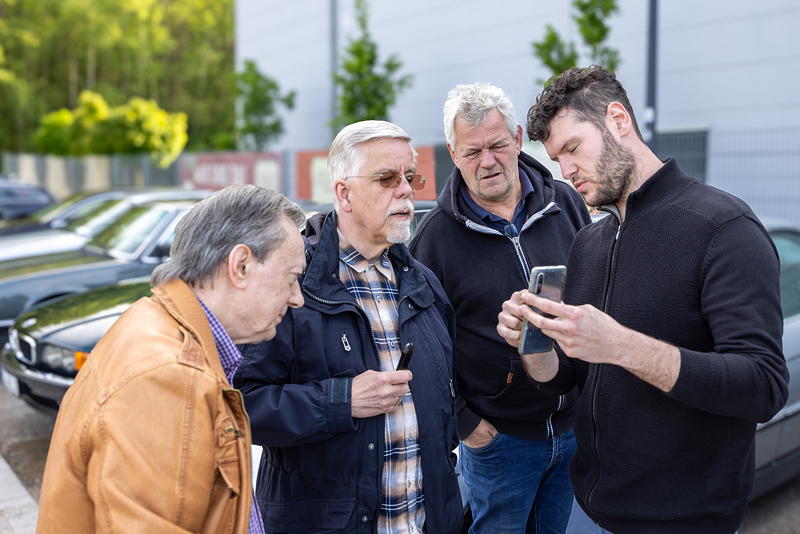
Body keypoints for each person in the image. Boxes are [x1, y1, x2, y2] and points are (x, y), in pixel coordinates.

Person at [497, 66, 789, 534]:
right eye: (555, 158)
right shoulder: (589, 242)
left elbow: (762, 386)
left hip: (687, 520)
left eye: (572, 148)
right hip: (588, 508)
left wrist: (621, 345)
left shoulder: (724, 227)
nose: (565, 171)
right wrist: (535, 345)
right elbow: (567, 381)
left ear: (617, 119)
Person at [233, 120, 463, 534]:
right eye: (387, 178)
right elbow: (240, 405)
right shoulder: (291, 281)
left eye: (410, 178)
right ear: (343, 193)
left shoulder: (423, 282)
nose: (407, 191)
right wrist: (341, 400)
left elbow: (443, 407)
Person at [37, 185, 307, 534]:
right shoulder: (169, 376)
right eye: (292, 278)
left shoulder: (156, 323)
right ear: (240, 265)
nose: (297, 298)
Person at [409, 83, 590, 534]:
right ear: (453, 153)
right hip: (500, 441)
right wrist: (466, 423)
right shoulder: (433, 239)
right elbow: (422, 346)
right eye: (472, 152)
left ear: (517, 137)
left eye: (496, 145)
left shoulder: (564, 202)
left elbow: (596, 293)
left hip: (571, 429)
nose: (487, 161)